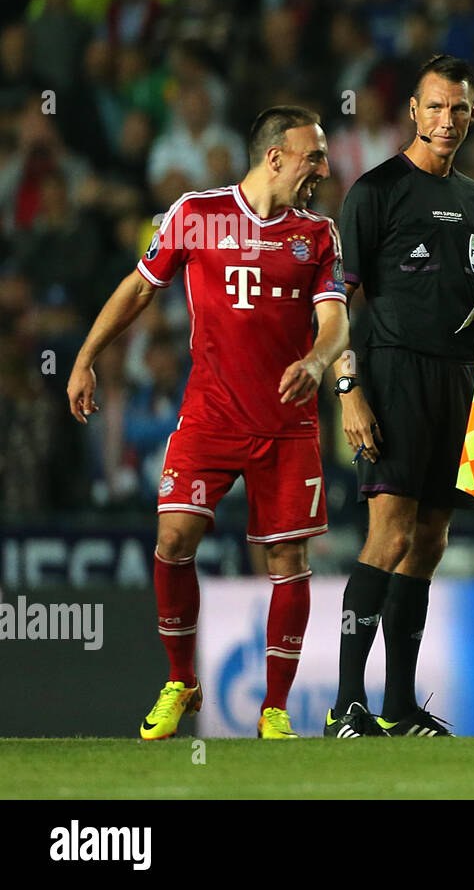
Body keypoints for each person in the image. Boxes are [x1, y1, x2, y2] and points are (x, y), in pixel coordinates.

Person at [67, 106, 347, 740]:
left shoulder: (319, 234)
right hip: (210, 416)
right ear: (275, 157)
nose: (324, 169)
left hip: (288, 423)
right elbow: (139, 288)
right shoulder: (195, 214)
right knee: (173, 538)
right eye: (314, 156)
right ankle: (180, 681)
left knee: (287, 556)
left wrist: (317, 357)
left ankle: (273, 709)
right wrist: (86, 356)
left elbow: (335, 321)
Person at [326, 54, 474, 740]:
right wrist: (348, 389)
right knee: (390, 532)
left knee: (430, 540)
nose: (447, 120)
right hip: (392, 373)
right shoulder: (373, 192)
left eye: (459, 109)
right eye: (436, 107)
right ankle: (347, 704)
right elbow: (336, 303)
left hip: (457, 378)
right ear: (412, 110)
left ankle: (398, 706)